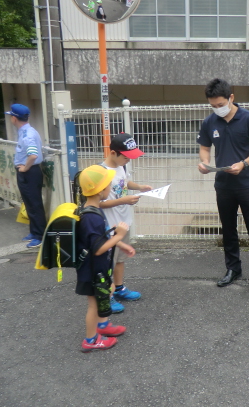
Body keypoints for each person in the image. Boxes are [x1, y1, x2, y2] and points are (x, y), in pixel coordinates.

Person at [197, 78, 249, 296]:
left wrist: (244, 163)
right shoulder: (210, 122)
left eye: (221, 104)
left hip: (247, 184)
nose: (217, 109)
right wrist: (203, 163)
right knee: (228, 230)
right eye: (213, 106)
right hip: (223, 185)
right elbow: (204, 147)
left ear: (231, 98)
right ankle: (233, 269)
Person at [76, 165, 128, 352]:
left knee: (108, 291)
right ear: (100, 190)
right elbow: (97, 249)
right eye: (108, 186)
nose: (110, 189)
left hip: (98, 268)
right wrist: (120, 236)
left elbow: (102, 237)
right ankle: (90, 340)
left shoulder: (92, 210)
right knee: (93, 304)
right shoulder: (92, 217)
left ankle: (103, 326)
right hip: (91, 270)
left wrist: (120, 244)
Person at [100, 133, 152, 314]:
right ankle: (106, 295)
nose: (128, 160)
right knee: (107, 265)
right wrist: (124, 201)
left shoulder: (121, 167)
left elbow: (124, 182)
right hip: (109, 227)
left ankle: (120, 288)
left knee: (120, 259)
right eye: (126, 157)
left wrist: (139, 187)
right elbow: (98, 203)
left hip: (123, 223)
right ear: (113, 153)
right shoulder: (101, 172)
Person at [5, 104, 46, 248]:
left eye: (11, 116)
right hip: (30, 172)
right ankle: (34, 232)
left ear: (14, 118)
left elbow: (33, 155)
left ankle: (40, 235)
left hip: (30, 172)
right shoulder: (28, 131)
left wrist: (24, 169)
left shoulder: (27, 135)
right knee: (29, 203)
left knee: (34, 204)